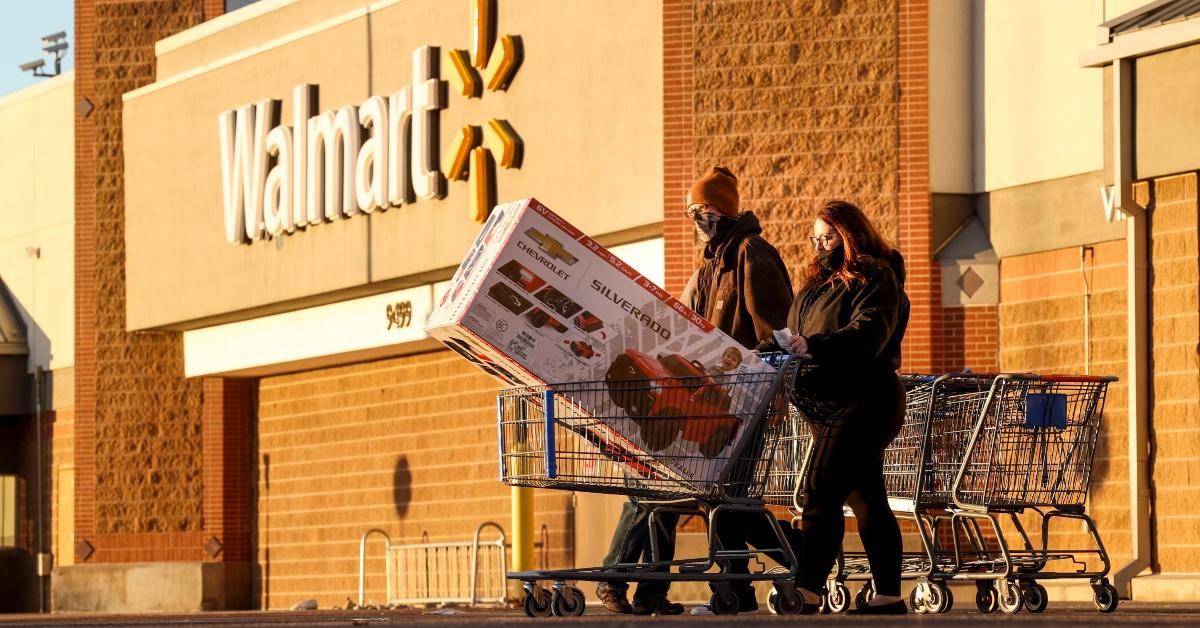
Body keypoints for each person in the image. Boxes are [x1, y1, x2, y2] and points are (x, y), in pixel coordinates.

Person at [596, 166, 794, 615]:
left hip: (739, 401)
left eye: (701, 209)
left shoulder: (750, 254)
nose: (695, 218)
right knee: (698, 495)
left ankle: (794, 563)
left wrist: (772, 387)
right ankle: (705, 590)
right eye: (691, 211)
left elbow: (776, 330)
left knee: (708, 497)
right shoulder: (709, 265)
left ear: (722, 209)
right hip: (704, 399)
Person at [778, 200, 910, 615]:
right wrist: (757, 352)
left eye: (828, 237)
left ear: (849, 234)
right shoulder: (816, 284)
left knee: (820, 492)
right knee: (868, 499)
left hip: (865, 400)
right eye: (815, 238)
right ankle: (888, 596)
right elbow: (791, 334)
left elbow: (868, 332)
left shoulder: (877, 276)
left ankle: (809, 591)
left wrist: (814, 346)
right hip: (825, 404)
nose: (820, 245)